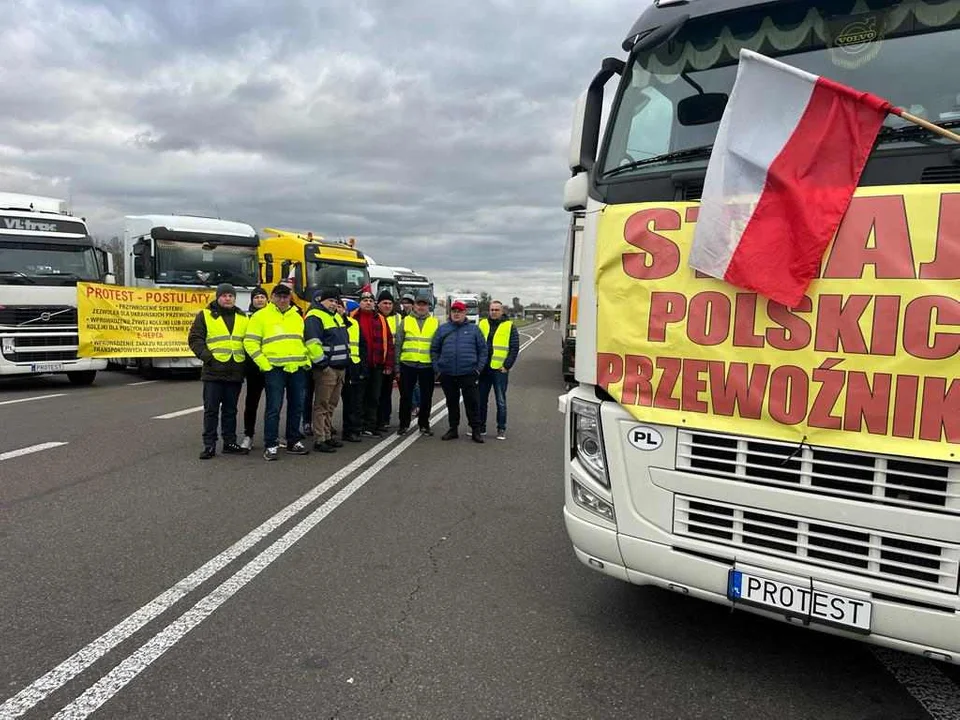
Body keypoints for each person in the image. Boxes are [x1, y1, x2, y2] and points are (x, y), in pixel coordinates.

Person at [243, 283, 311, 461]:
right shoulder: (260, 316)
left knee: (297, 406)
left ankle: (293, 440)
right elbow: (250, 342)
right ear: (272, 297)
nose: (282, 299)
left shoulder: (296, 316)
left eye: (285, 296)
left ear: (290, 298)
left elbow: (303, 340)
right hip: (274, 369)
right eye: (279, 296)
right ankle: (271, 444)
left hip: (297, 368)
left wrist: (307, 360)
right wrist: (264, 364)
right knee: (274, 407)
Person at [188, 283, 248, 459]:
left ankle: (229, 442)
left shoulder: (242, 317)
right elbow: (195, 339)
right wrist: (208, 358)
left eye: (231, 295)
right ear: (217, 297)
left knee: (231, 410)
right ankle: (209, 445)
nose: (228, 298)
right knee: (211, 410)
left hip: (235, 370)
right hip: (213, 371)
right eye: (224, 295)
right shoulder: (205, 315)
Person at [430, 300, 487, 443]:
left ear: (465, 313)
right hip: (447, 373)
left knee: (472, 403)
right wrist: (438, 369)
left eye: (459, 311)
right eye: (454, 311)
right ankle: (453, 429)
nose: (456, 314)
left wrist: (478, 369)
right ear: (450, 313)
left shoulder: (474, 330)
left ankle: (475, 430)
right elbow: (434, 350)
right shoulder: (442, 329)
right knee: (452, 402)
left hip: (468, 372)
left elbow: (483, 351)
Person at [304, 287, 350, 453]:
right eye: (330, 300)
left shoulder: (336, 317)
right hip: (327, 369)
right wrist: (322, 364)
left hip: (340, 368)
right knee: (321, 405)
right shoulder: (314, 316)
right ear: (321, 301)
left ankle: (328, 435)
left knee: (331, 405)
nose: (333, 304)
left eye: (335, 301)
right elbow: (312, 342)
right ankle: (320, 438)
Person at [350, 288, 394, 436]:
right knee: (358, 397)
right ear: (359, 303)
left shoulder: (380, 319)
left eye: (370, 301)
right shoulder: (352, 318)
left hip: (376, 364)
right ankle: (358, 426)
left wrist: (388, 364)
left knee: (374, 397)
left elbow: (389, 342)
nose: (368, 303)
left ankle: (371, 425)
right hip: (358, 364)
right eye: (364, 300)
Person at [394, 291, 438, 436]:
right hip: (408, 364)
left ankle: (424, 424)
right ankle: (403, 424)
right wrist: (397, 367)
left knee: (426, 397)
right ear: (414, 306)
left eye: (424, 305)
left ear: (428, 307)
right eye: (419, 304)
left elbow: (438, 346)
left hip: (427, 365)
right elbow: (398, 345)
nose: (421, 307)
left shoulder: (434, 322)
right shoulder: (405, 321)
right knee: (406, 397)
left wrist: (437, 367)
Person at [477, 300, 520, 441]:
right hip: (484, 368)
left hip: (499, 369)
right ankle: (480, 427)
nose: (494, 312)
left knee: (500, 400)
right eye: (492, 309)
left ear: (502, 311)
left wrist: (507, 366)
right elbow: (475, 344)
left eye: (496, 310)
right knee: (481, 400)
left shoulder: (509, 326)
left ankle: (501, 428)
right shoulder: (482, 324)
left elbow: (514, 348)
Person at [240, 286, 269, 450]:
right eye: (256, 297)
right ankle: (248, 435)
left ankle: (271, 437)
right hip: (253, 368)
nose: (259, 300)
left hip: (272, 366)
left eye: (262, 297)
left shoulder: (272, 316)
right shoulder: (245, 318)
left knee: (273, 405)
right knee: (251, 403)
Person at [340, 298, 365, 442]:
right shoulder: (330, 323)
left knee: (352, 401)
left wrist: (362, 366)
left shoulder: (355, 323)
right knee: (329, 403)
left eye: (343, 307)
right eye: (338, 306)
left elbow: (362, 346)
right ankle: (326, 432)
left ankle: (351, 430)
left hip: (353, 365)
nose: (340, 309)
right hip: (336, 365)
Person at [376, 290, 399, 431]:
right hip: (377, 362)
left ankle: (385, 419)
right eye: (384, 303)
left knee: (386, 393)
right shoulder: (375, 317)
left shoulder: (398, 318)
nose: (387, 306)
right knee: (375, 393)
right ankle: (375, 420)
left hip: (391, 361)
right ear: (378, 304)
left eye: (390, 303)